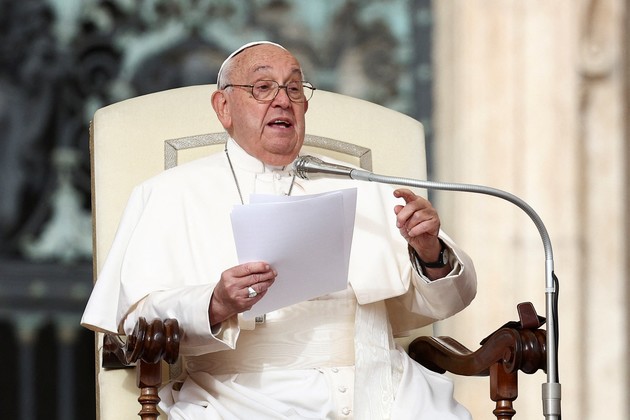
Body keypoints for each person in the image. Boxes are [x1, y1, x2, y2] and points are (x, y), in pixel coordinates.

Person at [81, 41, 477, 420]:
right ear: (223, 107)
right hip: (242, 395)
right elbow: (137, 321)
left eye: (294, 88)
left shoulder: (362, 183)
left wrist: (430, 253)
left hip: (384, 384)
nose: (283, 100)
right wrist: (215, 302)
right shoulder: (169, 193)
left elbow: (445, 303)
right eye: (262, 87)